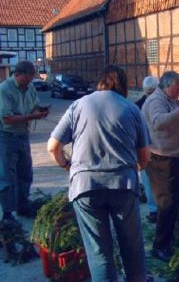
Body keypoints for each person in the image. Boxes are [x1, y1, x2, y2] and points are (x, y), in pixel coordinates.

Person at [47, 65, 151, 282]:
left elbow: (52, 146)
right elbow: (144, 157)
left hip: (86, 187)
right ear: (122, 84)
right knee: (132, 245)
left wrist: (67, 165)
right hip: (123, 185)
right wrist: (133, 170)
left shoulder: (78, 105)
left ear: (100, 83)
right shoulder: (132, 109)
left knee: (99, 252)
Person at [142, 71, 179, 261]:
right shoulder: (156, 100)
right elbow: (158, 122)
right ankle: (159, 247)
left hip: (173, 156)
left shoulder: (172, 101)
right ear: (167, 85)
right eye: (177, 86)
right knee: (166, 203)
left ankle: (166, 241)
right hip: (161, 159)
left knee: (171, 201)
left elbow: (176, 124)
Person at [0, 60, 49, 225]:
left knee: (25, 174)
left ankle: (23, 206)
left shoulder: (30, 87)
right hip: (6, 136)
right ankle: (7, 213)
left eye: (29, 80)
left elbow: (34, 105)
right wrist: (32, 116)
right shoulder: (5, 89)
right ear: (16, 74)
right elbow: (7, 118)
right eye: (25, 80)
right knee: (7, 177)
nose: (27, 83)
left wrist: (41, 110)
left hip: (23, 135)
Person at [136, 76, 159, 223]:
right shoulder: (160, 103)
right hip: (158, 147)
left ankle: (153, 210)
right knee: (156, 180)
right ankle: (157, 209)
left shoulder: (137, 105)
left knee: (147, 179)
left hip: (144, 147)